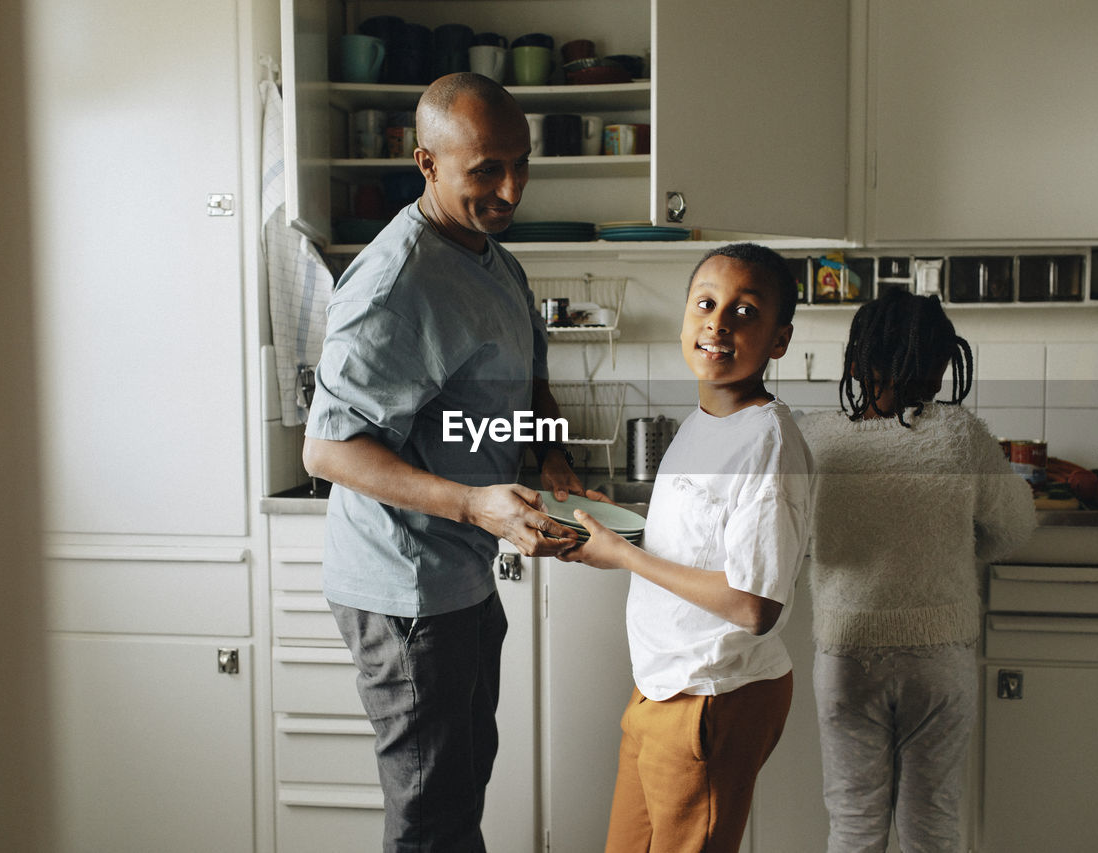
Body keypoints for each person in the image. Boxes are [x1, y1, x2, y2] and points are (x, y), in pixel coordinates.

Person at [302, 72, 598, 852]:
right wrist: (475, 505)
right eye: (487, 170)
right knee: (433, 814)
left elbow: (527, 380)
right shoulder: (395, 281)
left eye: (521, 165)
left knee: (463, 787)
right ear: (425, 161)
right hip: (405, 588)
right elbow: (328, 447)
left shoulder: (496, 260)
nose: (511, 189)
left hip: (458, 572)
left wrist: (552, 456)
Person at [562, 243, 816, 853]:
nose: (718, 322)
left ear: (778, 341)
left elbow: (756, 606)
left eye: (745, 311)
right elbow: (699, 538)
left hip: (712, 698)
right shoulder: (704, 420)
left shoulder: (767, 445)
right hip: (661, 684)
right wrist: (615, 523)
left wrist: (622, 556)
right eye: (706, 303)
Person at [798, 287, 1035, 852]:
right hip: (939, 657)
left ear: (855, 364)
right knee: (932, 825)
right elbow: (1013, 529)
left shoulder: (813, 440)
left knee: (853, 821)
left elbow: (790, 538)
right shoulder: (959, 436)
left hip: (847, 652)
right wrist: (949, 541)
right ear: (941, 367)